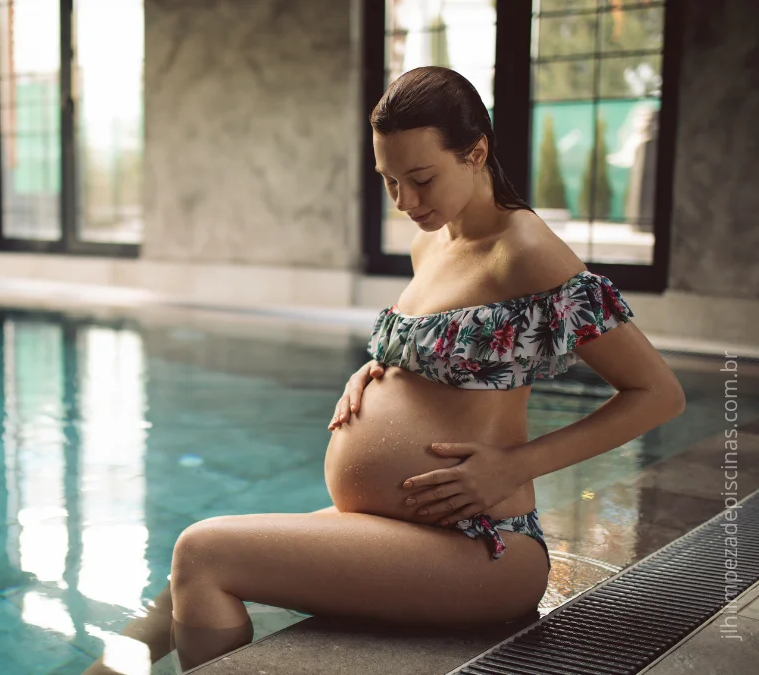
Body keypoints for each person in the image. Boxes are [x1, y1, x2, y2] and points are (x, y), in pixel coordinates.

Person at [84, 66, 686, 674]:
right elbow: (446, 350)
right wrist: (379, 369)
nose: (405, 202)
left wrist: (515, 464)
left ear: (476, 152)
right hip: (398, 526)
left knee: (203, 551)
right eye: (390, 181)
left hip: (481, 544)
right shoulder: (432, 242)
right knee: (178, 584)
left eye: (422, 179)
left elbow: (658, 394)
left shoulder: (525, 251)